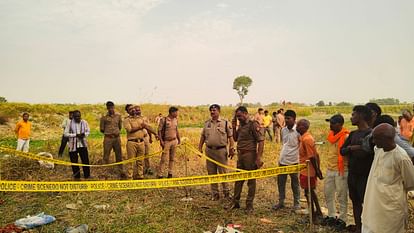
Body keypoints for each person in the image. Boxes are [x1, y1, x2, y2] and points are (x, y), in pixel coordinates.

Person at [361, 123, 414, 233]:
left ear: (386, 139)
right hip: (372, 204)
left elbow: (411, 183)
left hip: (390, 209)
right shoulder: (378, 150)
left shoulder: (401, 157)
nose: (374, 141)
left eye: (376, 138)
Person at [340, 105, 374, 233]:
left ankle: (368, 228)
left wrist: (355, 148)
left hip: (366, 175)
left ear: (360, 116)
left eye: (353, 115)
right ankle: (359, 228)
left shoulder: (371, 134)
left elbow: (368, 152)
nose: (351, 117)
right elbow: (342, 150)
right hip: (353, 174)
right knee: (355, 202)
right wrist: (352, 148)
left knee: (367, 204)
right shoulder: (353, 134)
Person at [198, 104, 235, 200]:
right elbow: (202, 136)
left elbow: (231, 137)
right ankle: (215, 194)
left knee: (223, 172)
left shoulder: (225, 123)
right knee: (211, 173)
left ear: (219, 111)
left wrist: (232, 148)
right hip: (209, 150)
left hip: (221, 151)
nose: (212, 112)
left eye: (214, 110)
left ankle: (226, 193)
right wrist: (199, 148)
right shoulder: (207, 123)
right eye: (211, 110)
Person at [231, 106, 264, 212]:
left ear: (246, 113)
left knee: (251, 181)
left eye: (240, 116)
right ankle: (235, 202)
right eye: (237, 116)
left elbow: (261, 141)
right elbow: (235, 138)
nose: (238, 118)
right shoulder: (241, 125)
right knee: (238, 179)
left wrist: (258, 158)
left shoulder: (253, 124)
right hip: (240, 155)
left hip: (250, 155)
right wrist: (234, 125)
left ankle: (249, 205)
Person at [323, 114, 349, 230]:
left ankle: (343, 219)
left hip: (341, 170)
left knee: (341, 196)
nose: (330, 125)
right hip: (330, 169)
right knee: (328, 193)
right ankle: (332, 215)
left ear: (340, 124)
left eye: (333, 123)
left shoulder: (346, 136)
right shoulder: (331, 136)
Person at [272, 110, 301, 211]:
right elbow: (285, 145)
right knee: (281, 182)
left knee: (295, 183)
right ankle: (281, 202)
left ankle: (297, 204)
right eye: (286, 118)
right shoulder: (283, 130)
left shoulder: (298, 131)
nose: (286, 120)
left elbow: (301, 146)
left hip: (294, 161)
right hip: (282, 161)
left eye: (289, 118)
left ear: (294, 119)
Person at [296, 119, 324, 222]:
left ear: (303, 127)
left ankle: (313, 217)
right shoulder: (303, 138)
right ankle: (318, 212)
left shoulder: (307, 139)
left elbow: (312, 157)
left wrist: (317, 171)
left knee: (308, 193)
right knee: (310, 192)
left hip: (308, 171)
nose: (297, 127)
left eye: (298, 125)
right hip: (305, 170)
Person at [123, 105, 157, 180]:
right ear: (127, 111)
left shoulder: (141, 118)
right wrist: (140, 127)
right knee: (131, 161)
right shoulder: (127, 120)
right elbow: (130, 130)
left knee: (140, 161)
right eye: (130, 109)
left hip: (141, 142)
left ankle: (140, 176)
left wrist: (155, 134)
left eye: (133, 108)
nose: (133, 110)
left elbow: (148, 127)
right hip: (132, 142)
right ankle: (129, 177)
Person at [100, 101, 126, 179]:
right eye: (109, 108)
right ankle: (105, 173)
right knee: (106, 156)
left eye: (112, 107)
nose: (111, 109)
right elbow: (102, 129)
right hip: (108, 138)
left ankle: (121, 172)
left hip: (117, 138)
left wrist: (115, 133)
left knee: (119, 155)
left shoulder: (118, 116)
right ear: (107, 108)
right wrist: (109, 133)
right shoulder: (104, 117)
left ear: (114, 107)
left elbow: (120, 127)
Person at [64, 110, 91, 180]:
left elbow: (88, 131)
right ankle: (77, 177)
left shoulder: (84, 122)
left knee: (85, 161)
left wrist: (84, 134)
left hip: (82, 145)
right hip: (73, 146)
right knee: (74, 162)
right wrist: (75, 135)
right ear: (73, 117)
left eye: (79, 116)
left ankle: (87, 176)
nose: (77, 118)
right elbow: (65, 134)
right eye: (76, 116)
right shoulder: (69, 123)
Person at [157, 106, 180, 178]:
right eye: (176, 112)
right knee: (163, 159)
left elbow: (176, 130)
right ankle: (160, 174)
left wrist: (179, 139)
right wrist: (161, 141)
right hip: (166, 141)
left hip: (174, 141)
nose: (177, 113)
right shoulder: (164, 120)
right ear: (172, 112)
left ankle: (170, 172)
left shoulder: (176, 119)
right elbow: (159, 131)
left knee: (172, 158)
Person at [135, 105, 157, 175]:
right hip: (138, 139)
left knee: (147, 154)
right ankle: (140, 171)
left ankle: (148, 168)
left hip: (146, 137)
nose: (138, 111)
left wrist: (150, 137)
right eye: (136, 110)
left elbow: (148, 128)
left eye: (139, 110)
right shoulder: (134, 119)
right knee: (139, 155)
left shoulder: (145, 118)